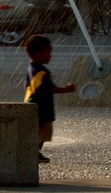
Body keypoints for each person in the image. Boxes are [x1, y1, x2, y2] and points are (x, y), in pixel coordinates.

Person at [23, 34, 76, 163]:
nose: (50, 56)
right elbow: (49, 89)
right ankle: (33, 153)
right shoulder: (41, 72)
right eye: (48, 52)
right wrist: (68, 89)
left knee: (42, 132)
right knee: (40, 130)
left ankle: (35, 152)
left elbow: (27, 85)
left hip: (35, 105)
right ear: (38, 54)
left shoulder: (32, 69)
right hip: (39, 107)